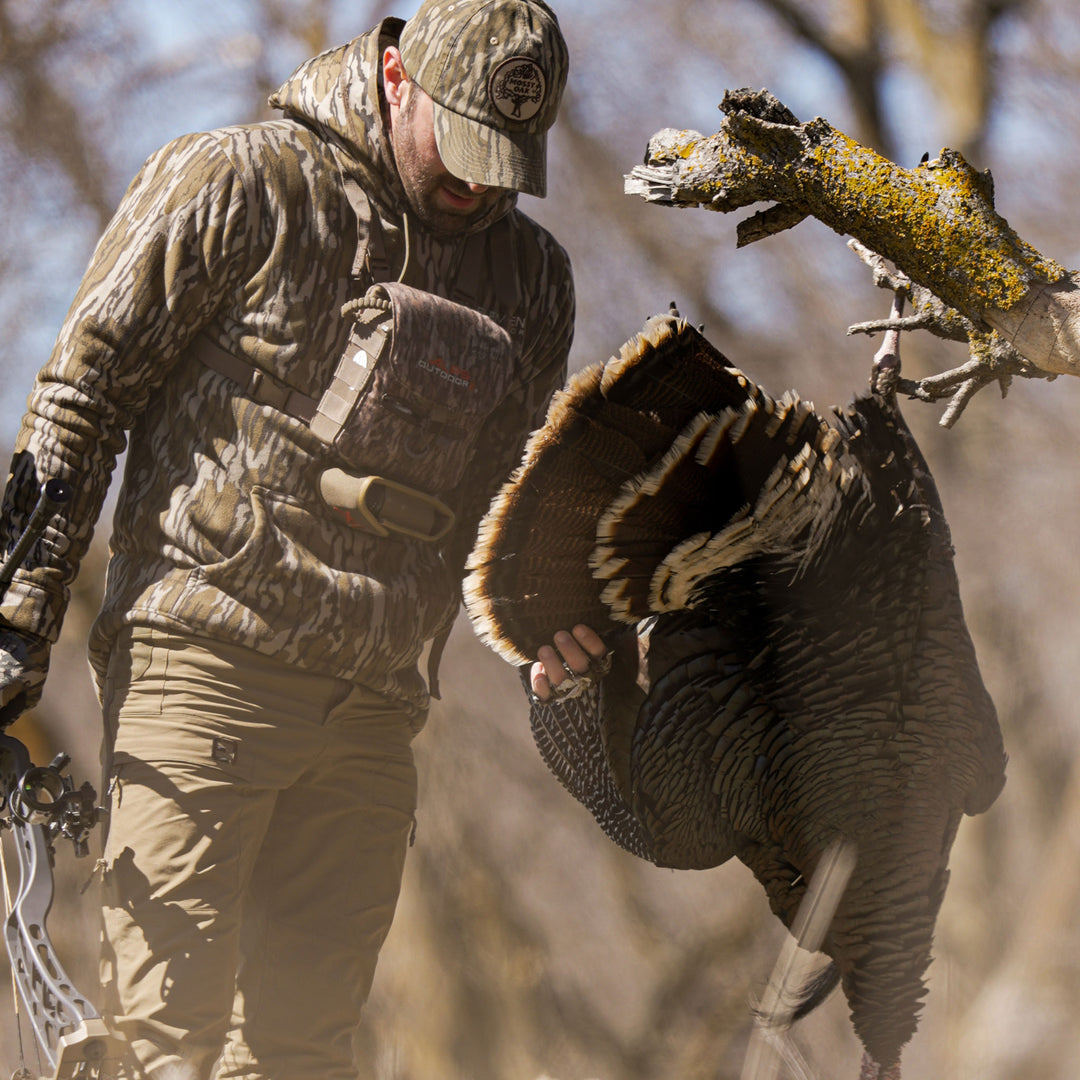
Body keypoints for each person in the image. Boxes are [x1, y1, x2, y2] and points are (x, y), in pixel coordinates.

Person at [0, 2, 578, 1076]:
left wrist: (552, 619)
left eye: (508, 164)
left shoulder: (532, 279)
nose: (480, 186)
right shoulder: (237, 182)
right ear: (396, 76)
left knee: (304, 1055)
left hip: (372, 712)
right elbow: (80, 395)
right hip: (203, 672)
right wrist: (13, 623)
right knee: (160, 1048)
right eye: (462, 148)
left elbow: (509, 499)